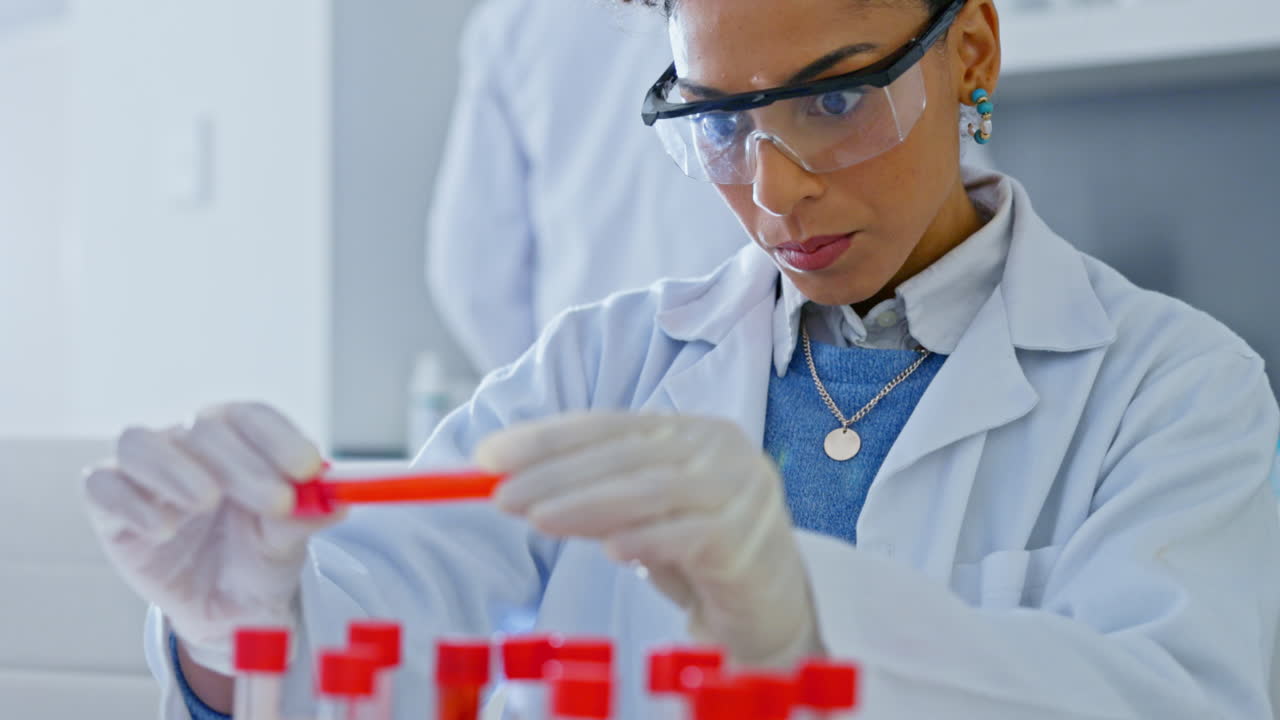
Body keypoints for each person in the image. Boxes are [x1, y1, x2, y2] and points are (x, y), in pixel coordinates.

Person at [83, 0, 1280, 717]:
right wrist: (241, 630)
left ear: (968, 52)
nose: (772, 189)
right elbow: (374, 659)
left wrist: (814, 630)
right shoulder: (601, 362)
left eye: (832, 101)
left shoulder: (1168, 390)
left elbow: (1178, 700)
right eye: (717, 122)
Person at [427, 0, 745, 374]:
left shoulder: (517, 17)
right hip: (757, 372)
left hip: (589, 384)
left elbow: (472, 271)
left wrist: (549, 392)